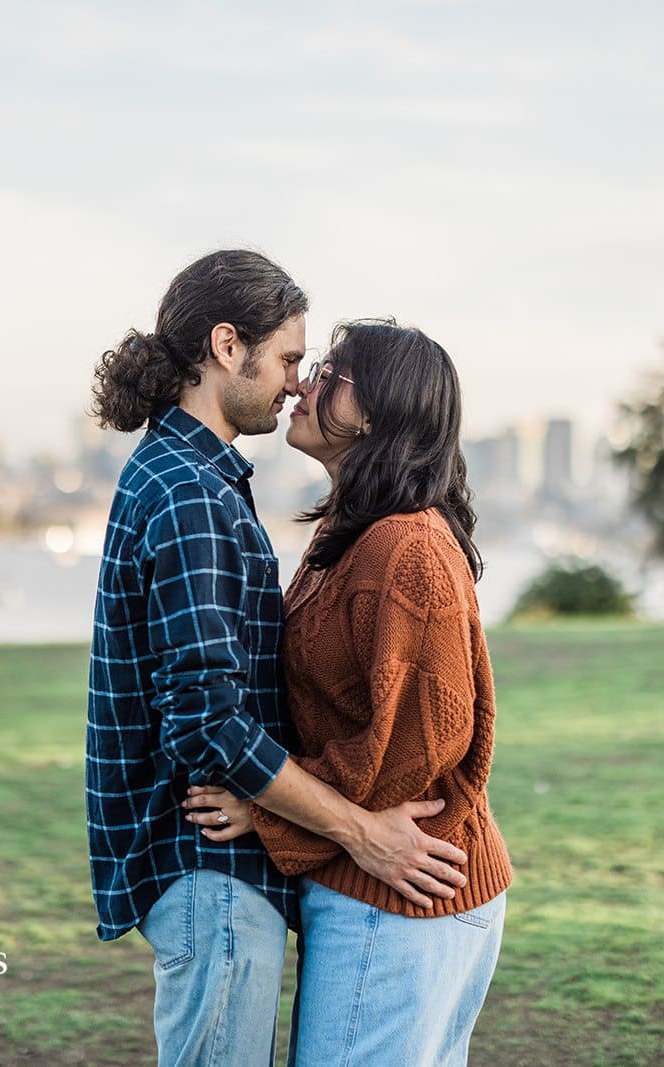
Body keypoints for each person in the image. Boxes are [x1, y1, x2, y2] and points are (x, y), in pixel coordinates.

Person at [87, 256, 471, 1067]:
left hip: (226, 869)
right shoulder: (192, 493)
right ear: (228, 346)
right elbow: (207, 720)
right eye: (291, 358)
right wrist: (358, 830)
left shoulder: (200, 481)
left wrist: (274, 814)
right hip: (208, 866)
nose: (297, 383)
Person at [183, 319, 513, 1066]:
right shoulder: (354, 532)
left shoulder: (406, 548)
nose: (303, 382)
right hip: (383, 895)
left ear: (376, 412)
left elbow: (415, 748)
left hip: (405, 898)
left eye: (332, 374)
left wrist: (270, 809)